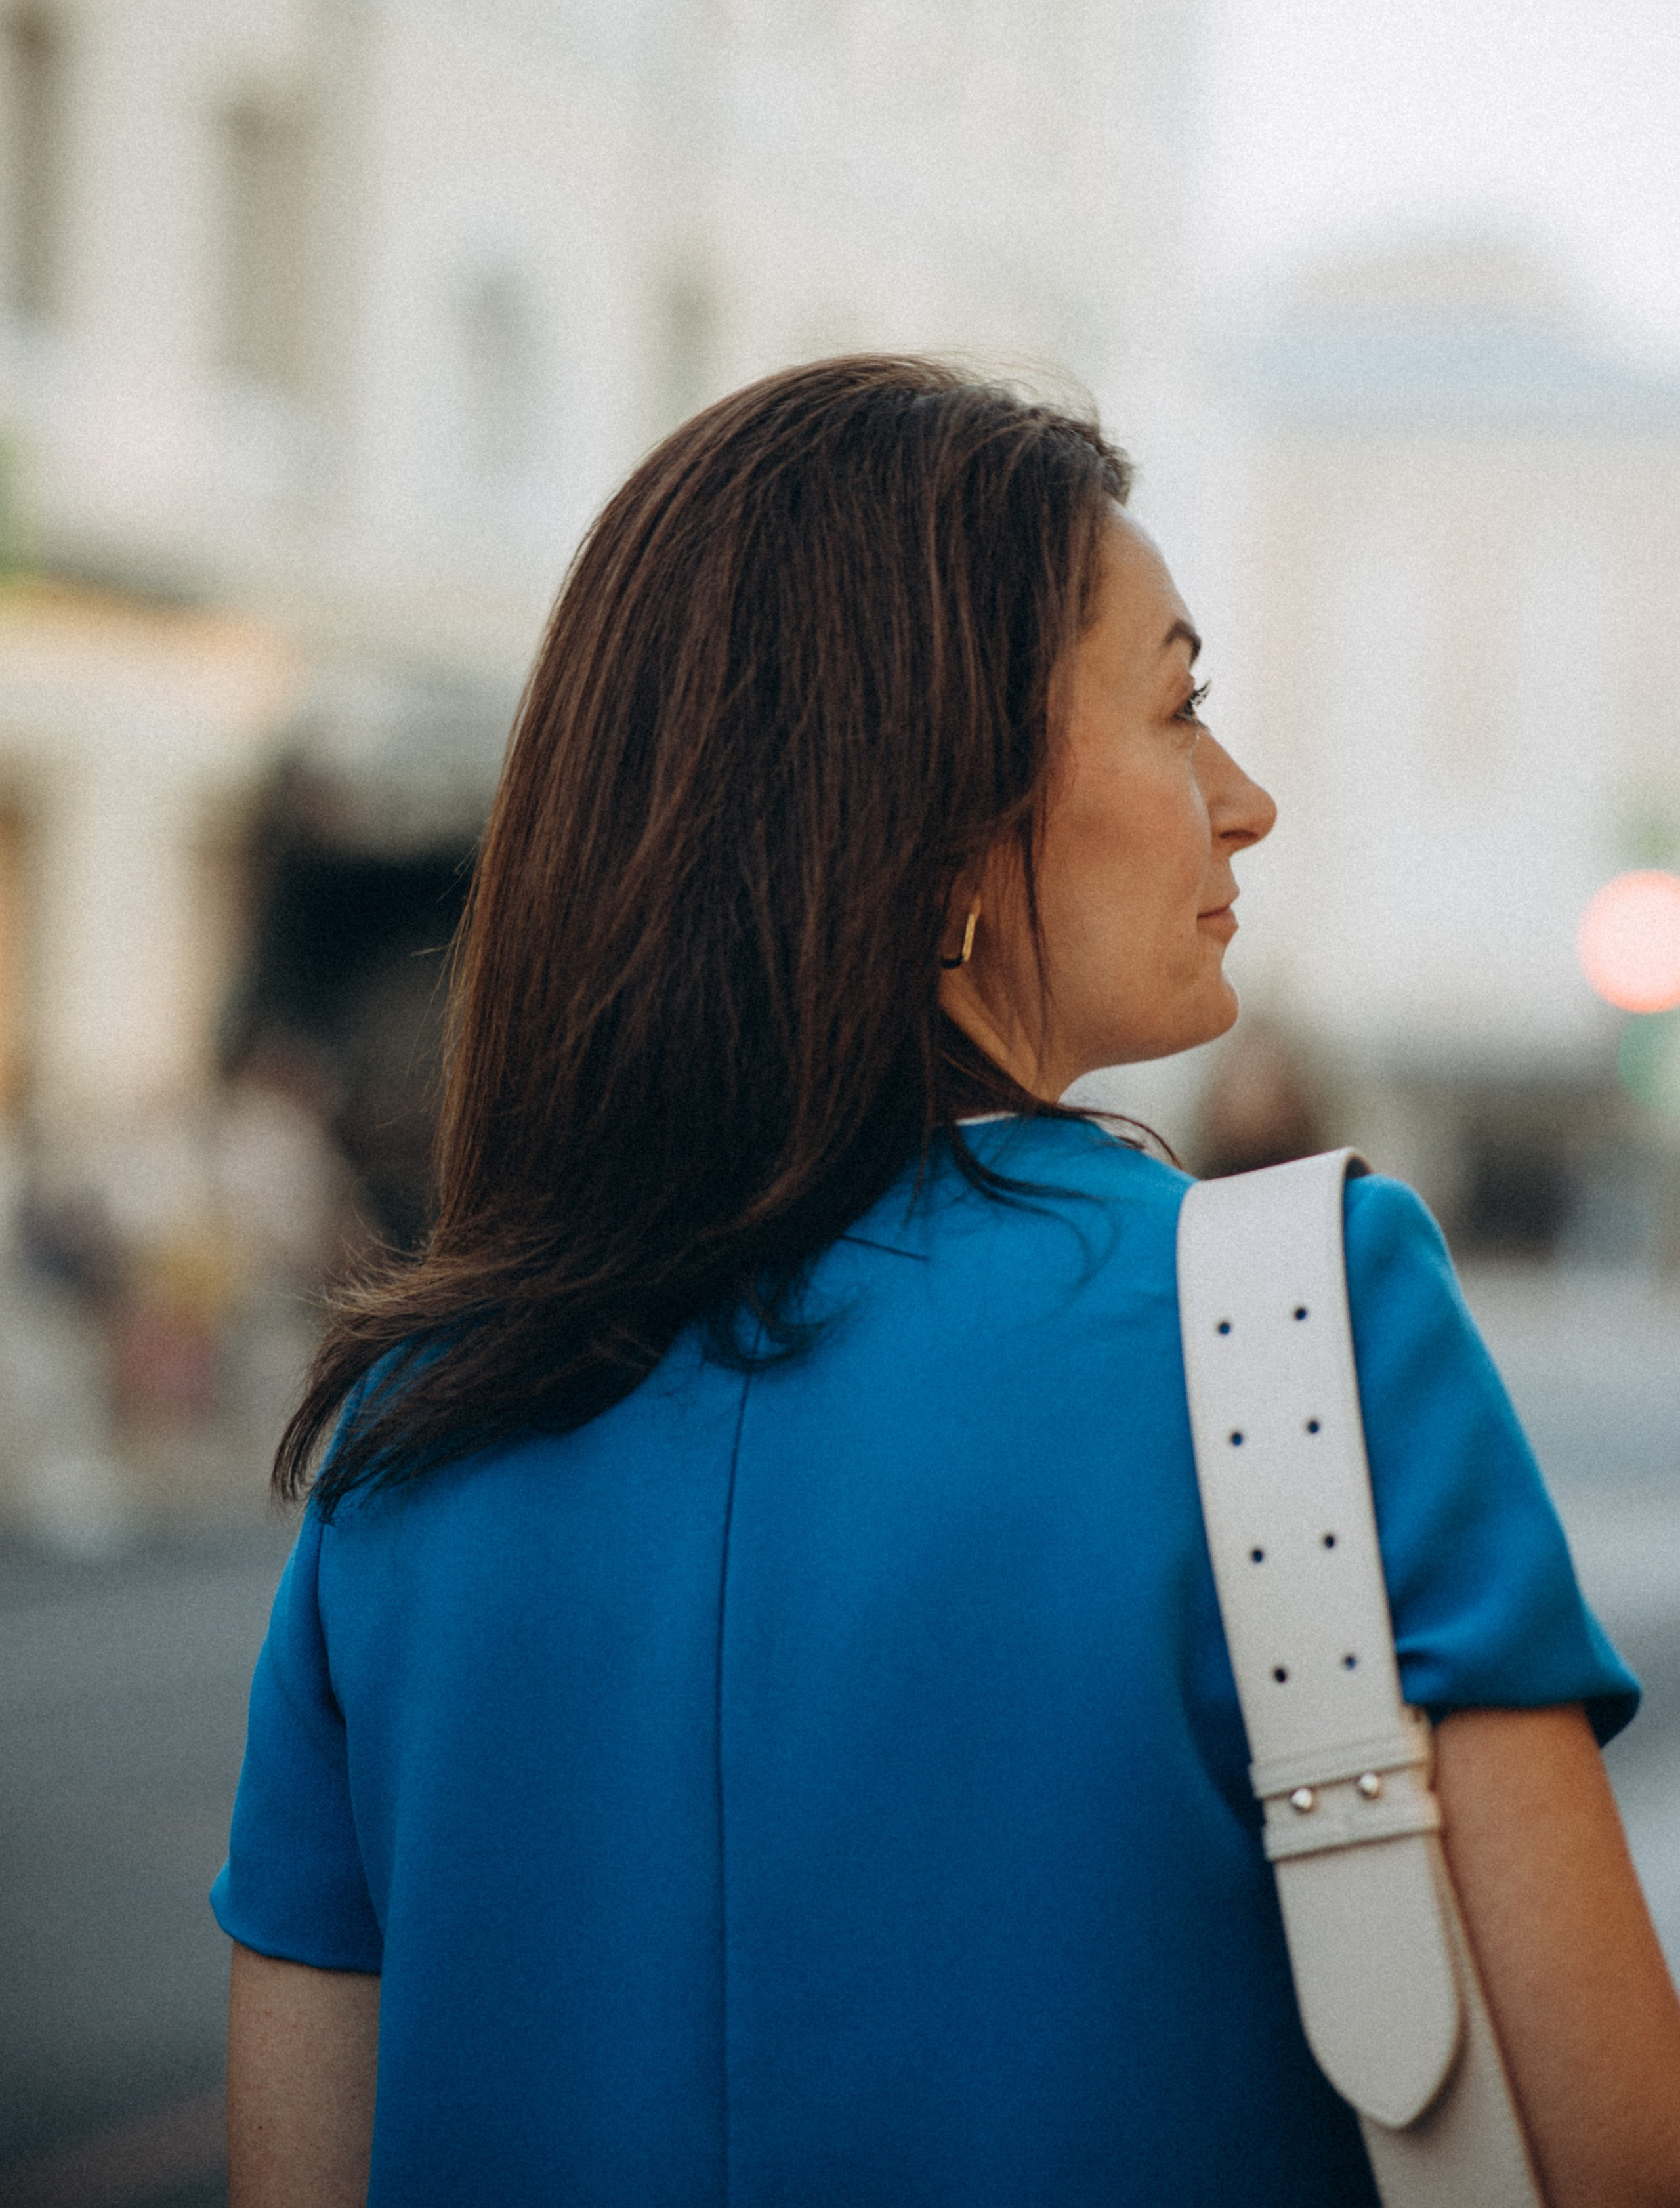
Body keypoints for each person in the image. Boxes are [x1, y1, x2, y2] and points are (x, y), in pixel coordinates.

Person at [214, 358, 1680, 2208]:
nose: (1246, 800)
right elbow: (1606, 2148)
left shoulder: (400, 1442)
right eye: (1179, 708)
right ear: (934, 814)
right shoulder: (1299, 1312)